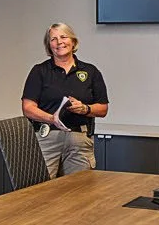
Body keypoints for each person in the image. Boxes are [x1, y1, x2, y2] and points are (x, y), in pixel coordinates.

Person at [20, 22, 108, 177]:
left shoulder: (90, 71)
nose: (59, 42)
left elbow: (103, 108)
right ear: (49, 45)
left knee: (79, 191)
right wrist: (51, 118)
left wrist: (85, 109)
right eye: (53, 39)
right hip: (47, 137)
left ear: (73, 42)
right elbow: (28, 107)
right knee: (41, 190)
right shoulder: (39, 71)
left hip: (79, 139)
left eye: (63, 37)